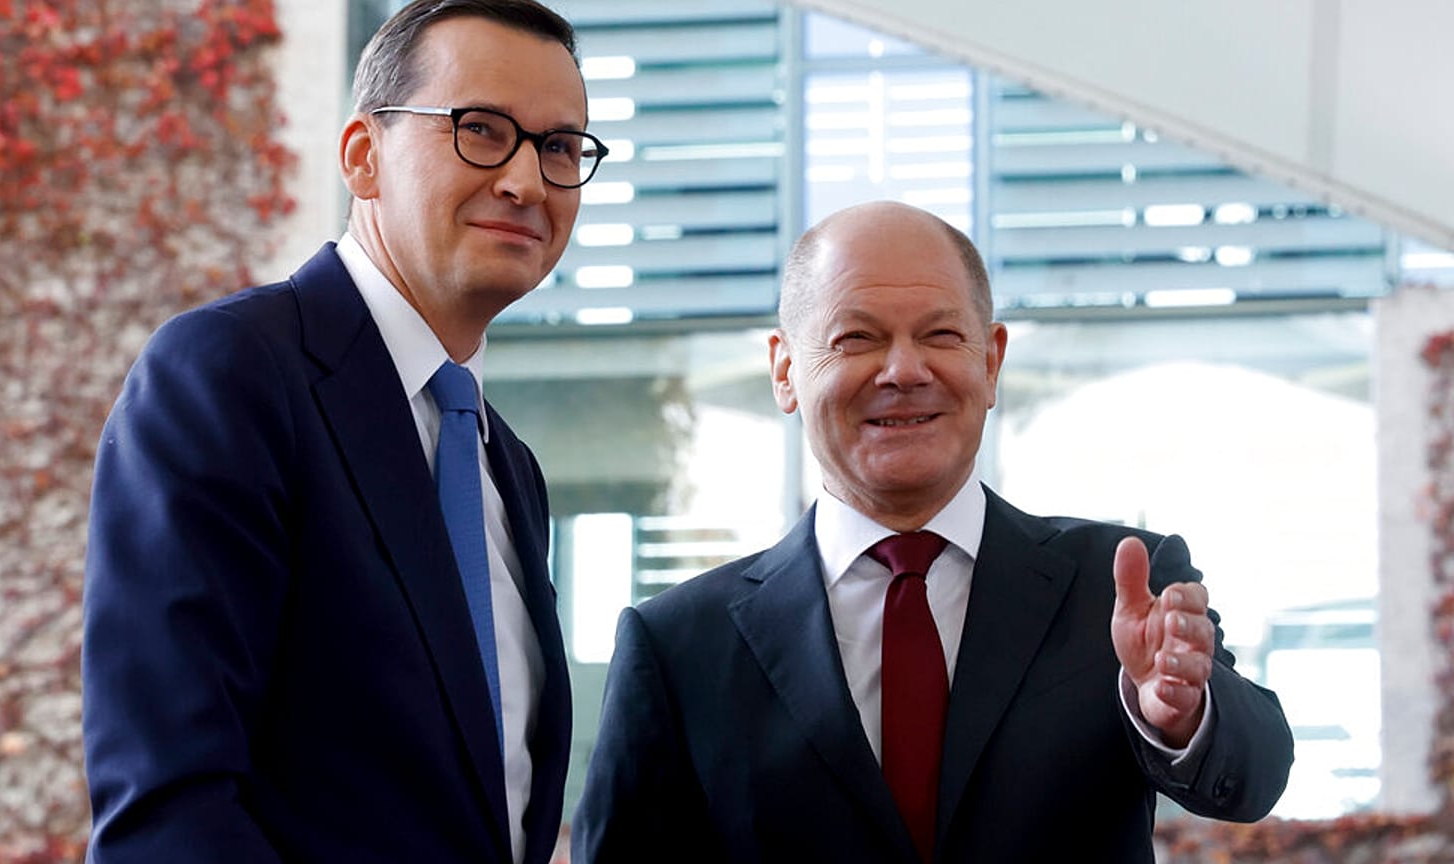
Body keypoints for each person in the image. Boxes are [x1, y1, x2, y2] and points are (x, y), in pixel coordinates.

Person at [571, 201, 1293, 863]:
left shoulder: (1117, 582)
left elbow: (1256, 775)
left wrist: (1178, 712)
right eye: (857, 338)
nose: (904, 370)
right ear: (786, 370)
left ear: (990, 360)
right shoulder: (677, 646)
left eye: (941, 335)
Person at [80, 2, 608, 862]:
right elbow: (169, 808)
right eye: (481, 130)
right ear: (364, 157)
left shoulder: (507, 463)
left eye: (557, 147)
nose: (526, 180)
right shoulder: (232, 373)